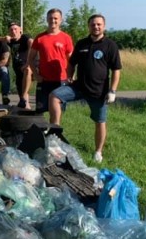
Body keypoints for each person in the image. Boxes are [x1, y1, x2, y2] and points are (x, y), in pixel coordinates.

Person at [49, 14, 122, 163]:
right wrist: (69, 76)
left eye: (99, 24)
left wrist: (112, 91)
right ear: (88, 26)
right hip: (78, 87)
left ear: (104, 26)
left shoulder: (110, 45)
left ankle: (98, 152)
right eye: (93, 24)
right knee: (54, 96)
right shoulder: (82, 44)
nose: (96, 27)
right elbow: (71, 63)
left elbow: (116, 70)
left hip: (99, 91)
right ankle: (55, 136)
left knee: (100, 121)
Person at [27, 8, 74, 113]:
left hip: (61, 80)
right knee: (40, 110)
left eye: (56, 18)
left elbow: (71, 60)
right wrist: (36, 74)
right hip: (44, 80)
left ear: (61, 20)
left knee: (57, 111)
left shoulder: (66, 38)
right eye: (50, 18)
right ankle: (41, 129)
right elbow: (30, 59)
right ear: (47, 19)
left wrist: (71, 76)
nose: (53, 20)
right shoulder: (40, 38)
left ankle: (55, 129)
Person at [5, 22, 33, 109]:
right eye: (11, 30)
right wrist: (5, 38)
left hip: (26, 67)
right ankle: (26, 109)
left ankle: (24, 97)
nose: (13, 31)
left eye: (15, 29)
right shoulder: (11, 41)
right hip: (18, 70)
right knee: (23, 101)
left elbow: (32, 43)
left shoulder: (24, 37)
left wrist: (28, 63)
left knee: (28, 70)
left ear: (20, 29)